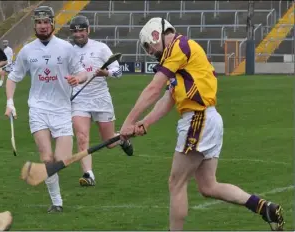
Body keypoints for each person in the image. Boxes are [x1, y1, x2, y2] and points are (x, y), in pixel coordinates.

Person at [119, 17, 285, 231]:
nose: (150, 52)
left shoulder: (178, 46)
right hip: (208, 119)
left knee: (176, 183)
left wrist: (128, 122)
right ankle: (265, 208)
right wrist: (146, 122)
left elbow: (153, 89)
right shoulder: (179, 55)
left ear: (155, 34)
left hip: (199, 119)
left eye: (148, 46)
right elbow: (169, 97)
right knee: (208, 186)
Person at [4, 6, 88, 213]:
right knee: (46, 157)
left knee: (61, 160)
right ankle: (57, 203)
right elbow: (13, 78)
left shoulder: (66, 48)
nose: (42, 26)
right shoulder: (27, 51)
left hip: (61, 110)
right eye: (38, 23)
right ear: (35, 25)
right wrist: (10, 102)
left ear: (52, 23)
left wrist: (77, 78)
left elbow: (83, 73)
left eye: (46, 22)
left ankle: (52, 181)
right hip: (38, 109)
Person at [69, 15, 134, 187]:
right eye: (75, 31)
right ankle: (88, 174)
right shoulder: (68, 51)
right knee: (82, 137)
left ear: (88, 30)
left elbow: (118, 73)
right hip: (79, 99)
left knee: (109, 142)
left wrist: (105, 73)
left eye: (81, 30)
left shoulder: (101, 48)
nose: (78, 34)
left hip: (100, 99)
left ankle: (122, 139)